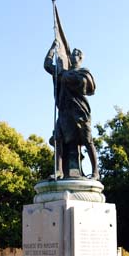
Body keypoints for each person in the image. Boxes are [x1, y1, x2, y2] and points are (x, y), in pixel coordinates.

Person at [44, 40, 98, 179]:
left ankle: (96, 172)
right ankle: (59, 171)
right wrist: (52, 49)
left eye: (75, 54)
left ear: (80, 58)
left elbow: (86, 85)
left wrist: (65, 75)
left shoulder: (83, 73)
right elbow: (47, 65)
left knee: (87, 140)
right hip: (64, 111)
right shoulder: (62, 73)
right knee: (58, 139)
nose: (72, 56)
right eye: (72, 54)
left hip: (80, 111)